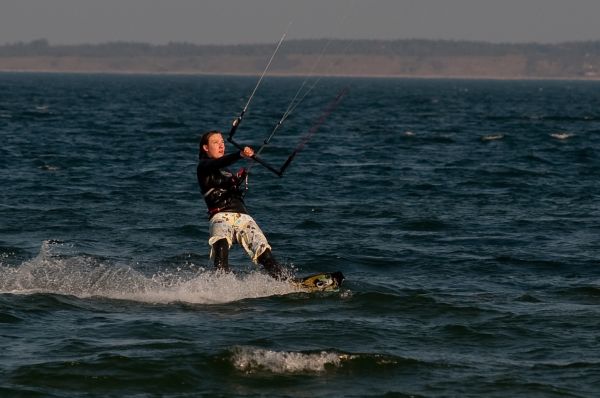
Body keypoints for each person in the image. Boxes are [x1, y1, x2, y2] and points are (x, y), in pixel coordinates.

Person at [196, 130, 285, 279]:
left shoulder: (226, 170)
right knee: (221, 244)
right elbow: (218, 162)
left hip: (243, 217)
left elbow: (225, 177)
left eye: (223, 142)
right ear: (206, 147)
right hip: (220, 216)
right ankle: (221, 282)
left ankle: (285, 281)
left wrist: (236, 180)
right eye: (216, 142)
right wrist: (240, 155)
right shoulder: (203, 166)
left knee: (263, 249)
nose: (221, 145)